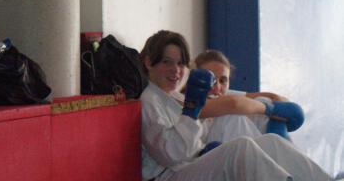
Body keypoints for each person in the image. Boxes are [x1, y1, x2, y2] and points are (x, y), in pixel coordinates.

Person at [139, 30, 331, 181]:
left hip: (189, 166)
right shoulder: (148, 101)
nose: (176, 70)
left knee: (271, 141)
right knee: (241, 147)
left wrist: (206, 145)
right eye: (167, 62)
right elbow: (172, 155)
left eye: (180, 64)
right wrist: (191, 114)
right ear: (149, 62)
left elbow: (232, 105)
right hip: (169, 175)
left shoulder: (173, 97)